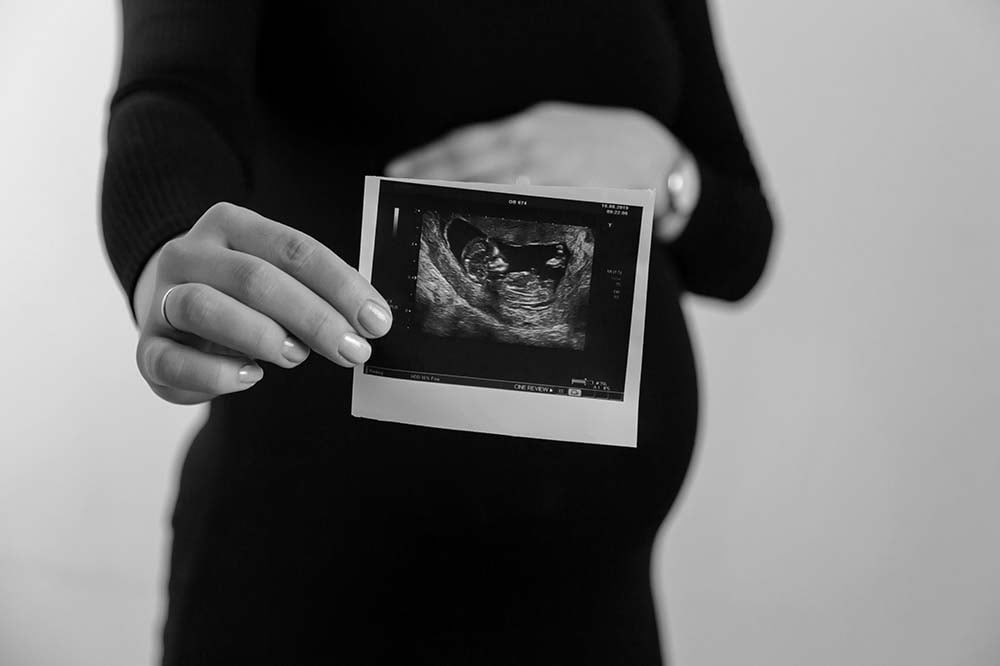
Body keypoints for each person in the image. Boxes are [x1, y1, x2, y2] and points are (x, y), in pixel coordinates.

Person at [101, 0, 774, 663]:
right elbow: (171, 96)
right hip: (312, 583)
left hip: (594, 600)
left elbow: (739, 249)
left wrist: (666, 168)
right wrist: (166, 252)